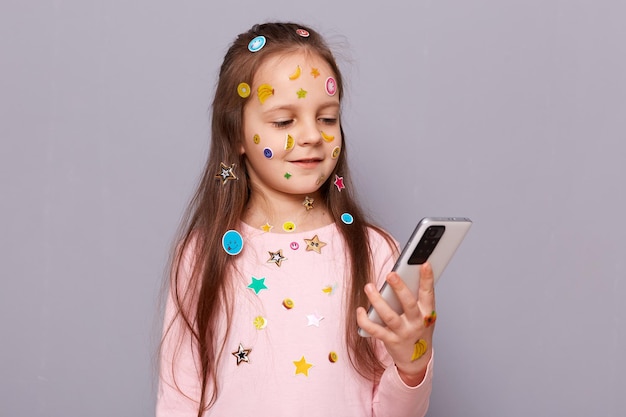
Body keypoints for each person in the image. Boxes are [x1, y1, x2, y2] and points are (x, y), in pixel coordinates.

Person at [157, 21, 436, 417]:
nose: (311, 136)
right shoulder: (202, 255)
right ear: (236, 133)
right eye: (284, 122)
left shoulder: (375, 251)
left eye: (326, 118)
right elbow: (178, 400)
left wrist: (412, 365)